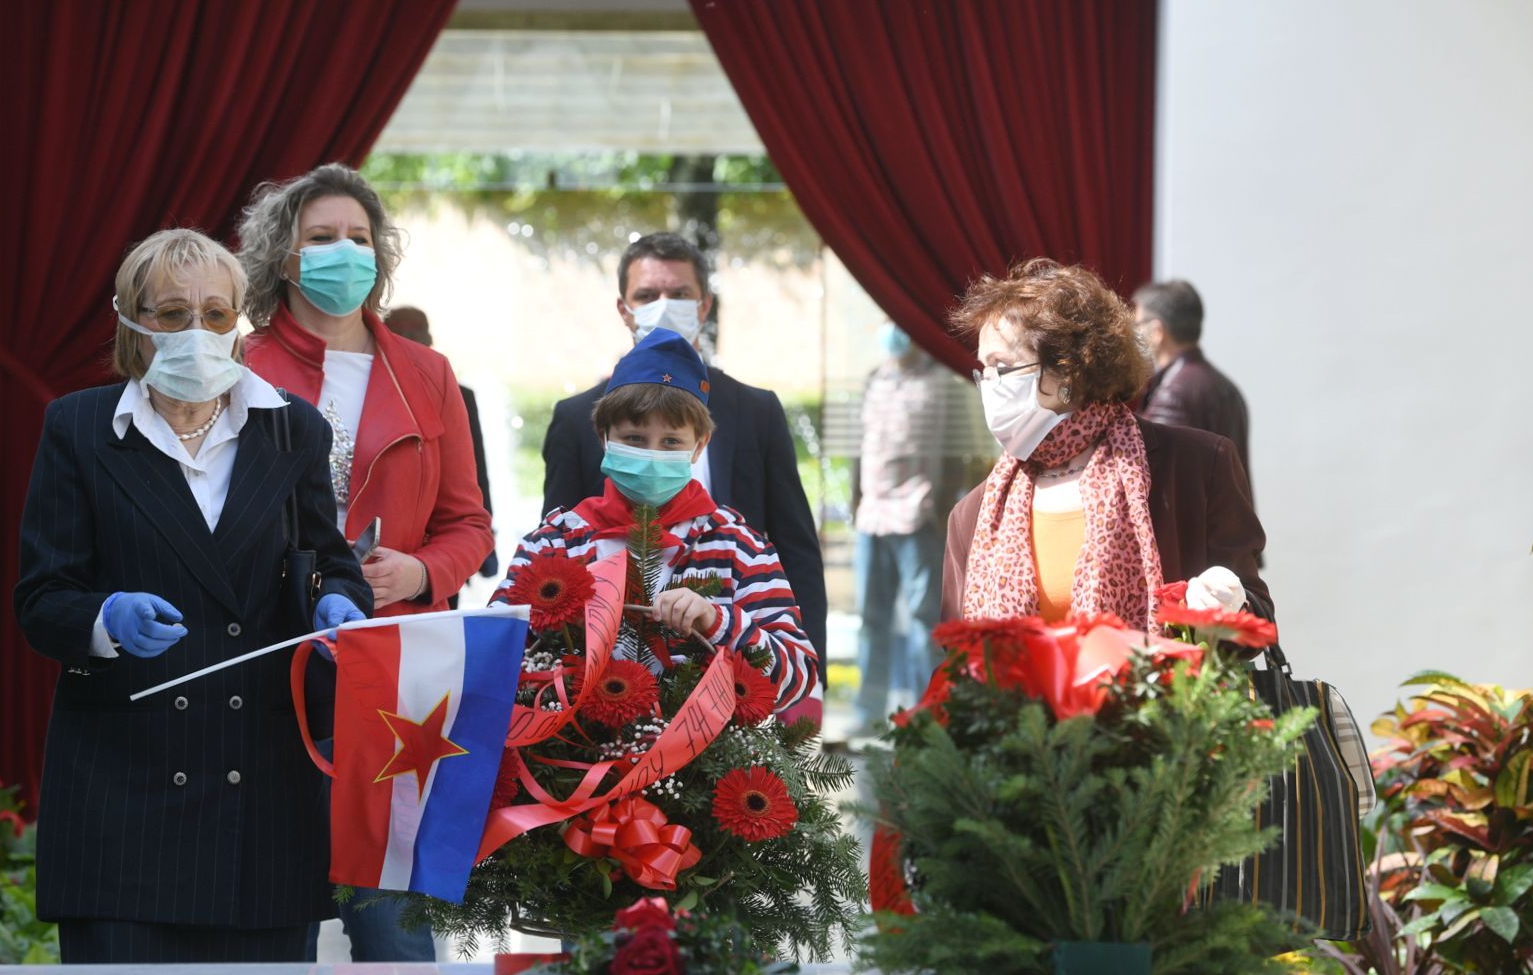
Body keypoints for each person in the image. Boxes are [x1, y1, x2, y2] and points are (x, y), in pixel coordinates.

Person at [13, 228, 371, 965]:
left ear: (240, 321)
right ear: (133, 321)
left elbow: (334, 564)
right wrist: (104, 618)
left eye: (215, 313)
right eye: (173, 314)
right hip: (123, 797)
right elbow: (42, 600)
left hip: (262, 796)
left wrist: (339, 601)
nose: (197, 331)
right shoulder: (79, 427)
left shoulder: (293, 429)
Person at [235, 164, 494, 963]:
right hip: (271, 666)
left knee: (395, 937)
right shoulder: (237, 365)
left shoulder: (428, 372)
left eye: (358, 237)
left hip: (394, 675)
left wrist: (420, 572)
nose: (343, 252)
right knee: (266, 928)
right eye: (321, 238)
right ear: (283, 256)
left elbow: (470, 523)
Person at [539, 232, 827, 706]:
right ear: (624, 308)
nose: (663, 306)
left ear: (704, 304)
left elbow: (796, 547)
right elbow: (541, 588)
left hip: (733, 682)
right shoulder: (574, 424)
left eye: (679, 294)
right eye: (648, 295)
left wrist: (809, 688)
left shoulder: (756, 415)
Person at [498, 328, 819, 710]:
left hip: (705, 745)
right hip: (574, 745)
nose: (652, 454)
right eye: (634, 439)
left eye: (671, 442)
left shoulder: (739, 549)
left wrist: (716, 621)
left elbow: (798, 676)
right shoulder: (554, 544)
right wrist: (558, 628)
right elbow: (490, 656)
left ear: (699, 446)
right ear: (604, 437)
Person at [941, 259, 1268, 627]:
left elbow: (1255, 618)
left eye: (1001, 367)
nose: (989, 384)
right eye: (983, 370)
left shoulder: (1196, 466)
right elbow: (959, 650)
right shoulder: (975, 513)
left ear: (1067, 370)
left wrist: (1227, 605)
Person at [850, 321, 985, 733]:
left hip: (920, 516)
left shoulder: (943, 381)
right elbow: (859, 447)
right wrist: (856, 501)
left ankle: (927, 714)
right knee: (871, 619)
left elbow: (964, 450)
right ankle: (868, 713)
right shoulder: (874, 378)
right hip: (872, 517)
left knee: (924, 621)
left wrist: (945, 511)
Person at [385, 304, 497, 580]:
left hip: (442, 546)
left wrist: (485, 535)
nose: (413, 340)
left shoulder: (456, 392)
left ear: (430, 339)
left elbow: (475, 470)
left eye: (418, 333)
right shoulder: (375, 391)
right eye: (404, 333)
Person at [1132, 279, 1251, 482]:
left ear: (1157, 332)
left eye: (1137, 325)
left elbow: (1156, 474)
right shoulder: (1225, 385)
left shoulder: (1173, 393)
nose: (1135, 333)